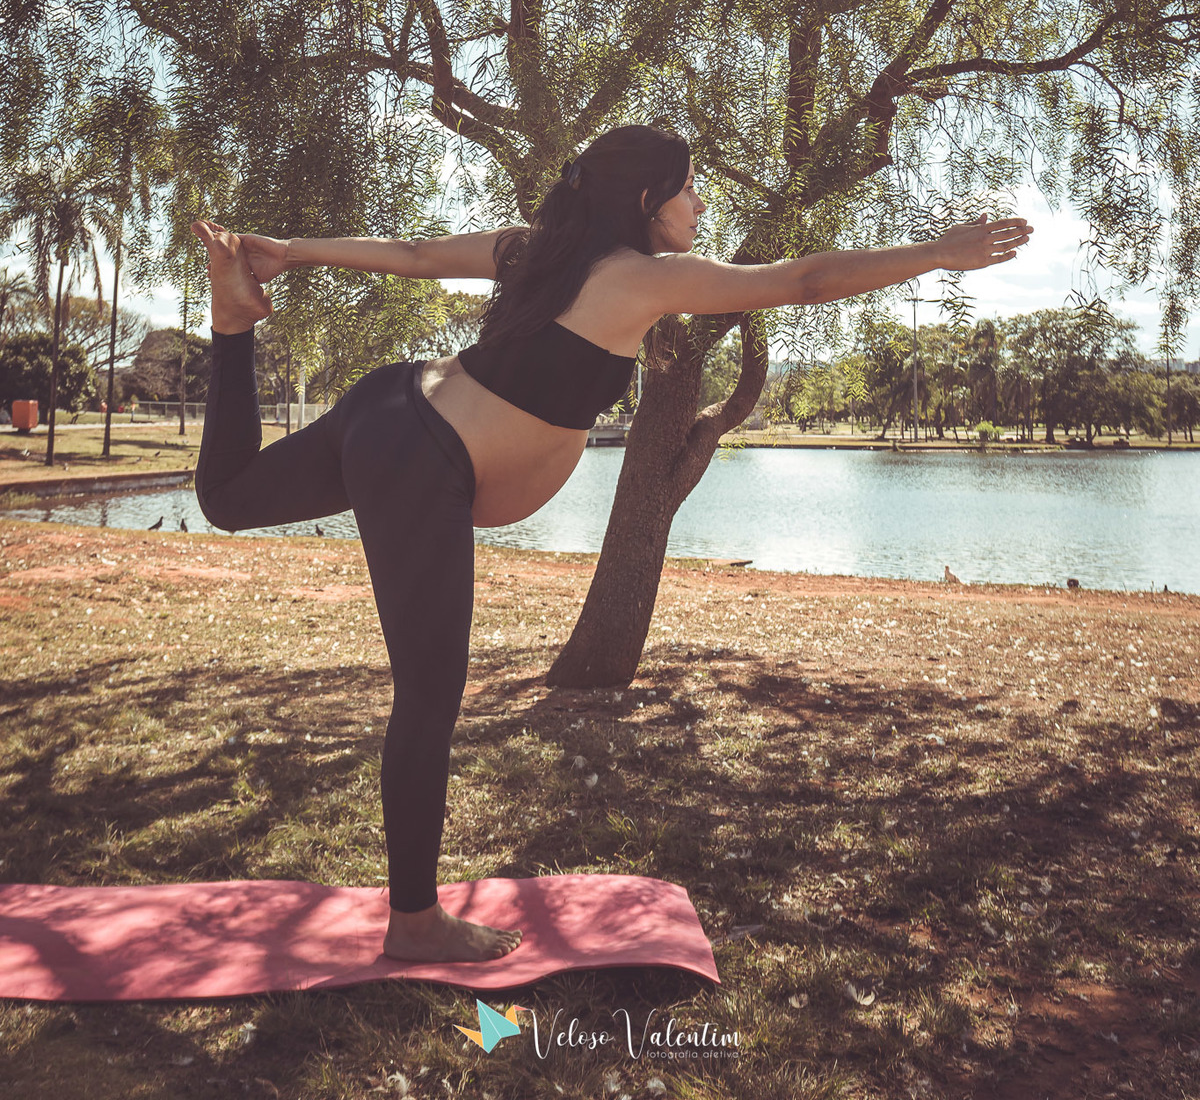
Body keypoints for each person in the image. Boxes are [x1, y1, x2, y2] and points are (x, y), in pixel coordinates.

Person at [192, 123, 1031, 963]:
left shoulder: (534, 249)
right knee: (430, 690)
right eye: (689, 188)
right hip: (426, 457)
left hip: (392, 404)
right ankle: (413, 923)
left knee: (228, 500)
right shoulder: (642, 278)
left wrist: (292, 252)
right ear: (645, 202)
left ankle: (233, 324)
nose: (701, 203)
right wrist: (934, 251)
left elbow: (411, 253)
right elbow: (805, 278)